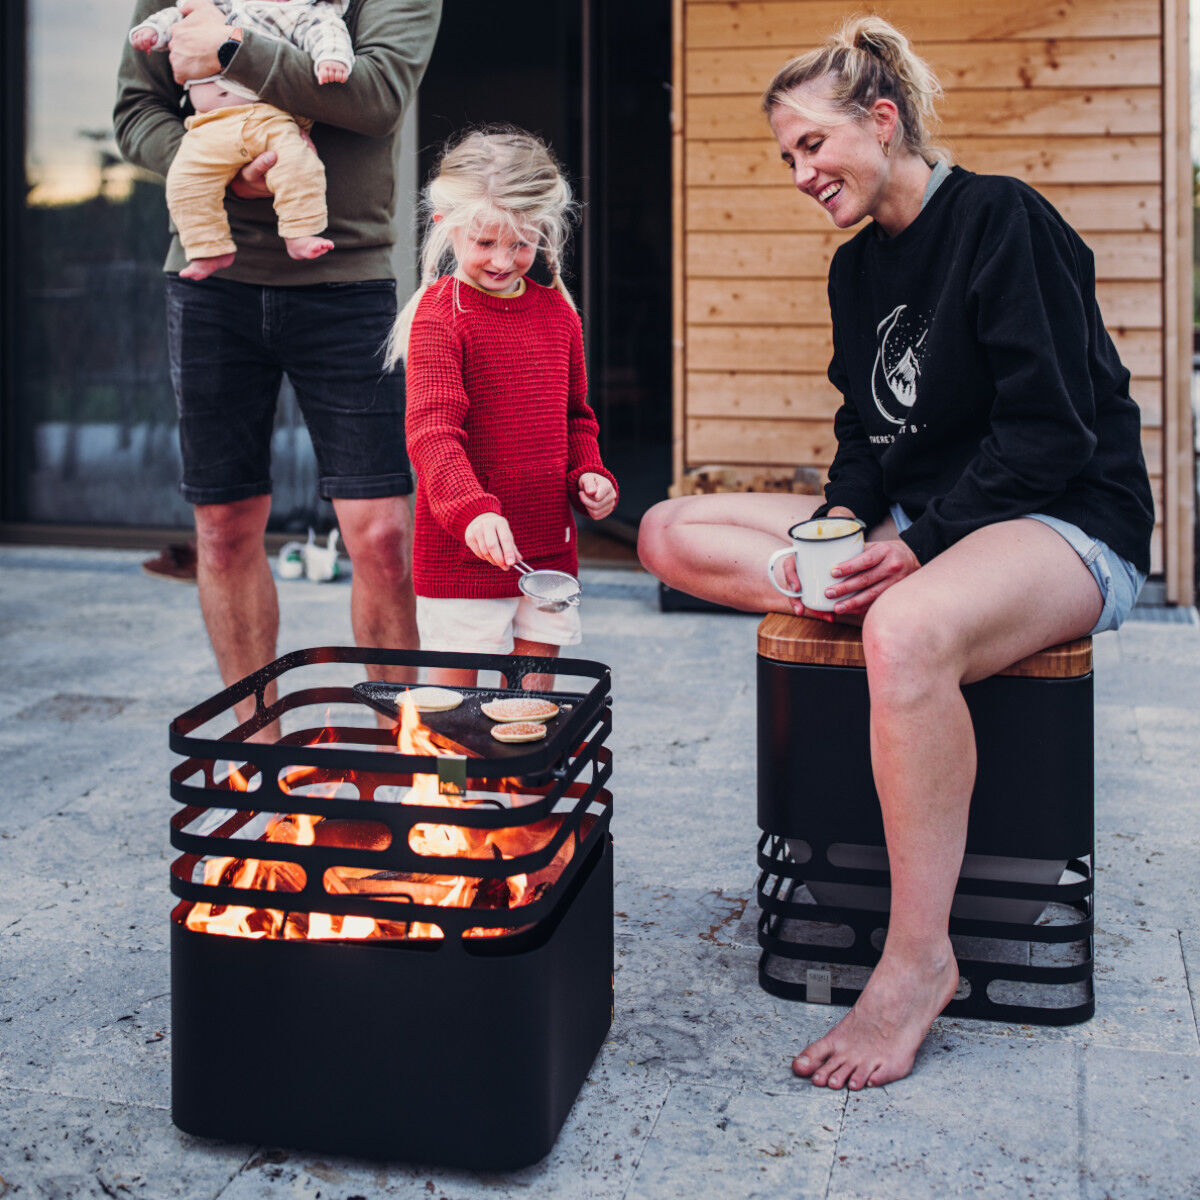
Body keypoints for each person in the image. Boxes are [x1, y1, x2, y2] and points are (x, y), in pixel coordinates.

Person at [638, 16, 1153, 1089]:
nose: (800, 173)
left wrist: (915, 548)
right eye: (787, 157)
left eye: (813, 146)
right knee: (664, 530)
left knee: (908, 627)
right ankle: (842, 598)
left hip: (1065, 524)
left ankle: (917, 964)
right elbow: (865, 445)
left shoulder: (1001, 219)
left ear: (882, 122)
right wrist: (839, 534)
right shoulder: (856, 274)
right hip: (925, 532)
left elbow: (1051, 433)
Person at [115, 0, 441, 734]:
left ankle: (406, 749)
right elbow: (138, 112)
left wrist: (231, 47)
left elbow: (377, 96)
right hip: (210, 284)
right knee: (224, 526)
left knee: (384, 536)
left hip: (346, 280)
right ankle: (259, 745)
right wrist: (222, 169)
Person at [387, 129, 619, 690]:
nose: (502, 260)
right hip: (461, 556)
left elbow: (575, 417)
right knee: (452, 717)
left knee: (530, 713)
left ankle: (527, 782)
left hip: (546, 554)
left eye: (520, 244)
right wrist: (472, 510)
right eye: (485, 242)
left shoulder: (558, 314)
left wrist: (589, 473)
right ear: (446, 224)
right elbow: (432, 431)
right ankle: (446, 785)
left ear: (544, 233)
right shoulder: (443, 314)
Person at [129, 0, 355, 280]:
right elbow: (177, 17)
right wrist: (153, 30)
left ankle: (301, 232)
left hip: (269, 116)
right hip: (209, 125)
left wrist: (331, 59)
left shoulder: (303, 12)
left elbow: (329, 33)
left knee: (297, 164)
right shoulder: (221, 4)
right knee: (184, 180)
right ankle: (208, 249)